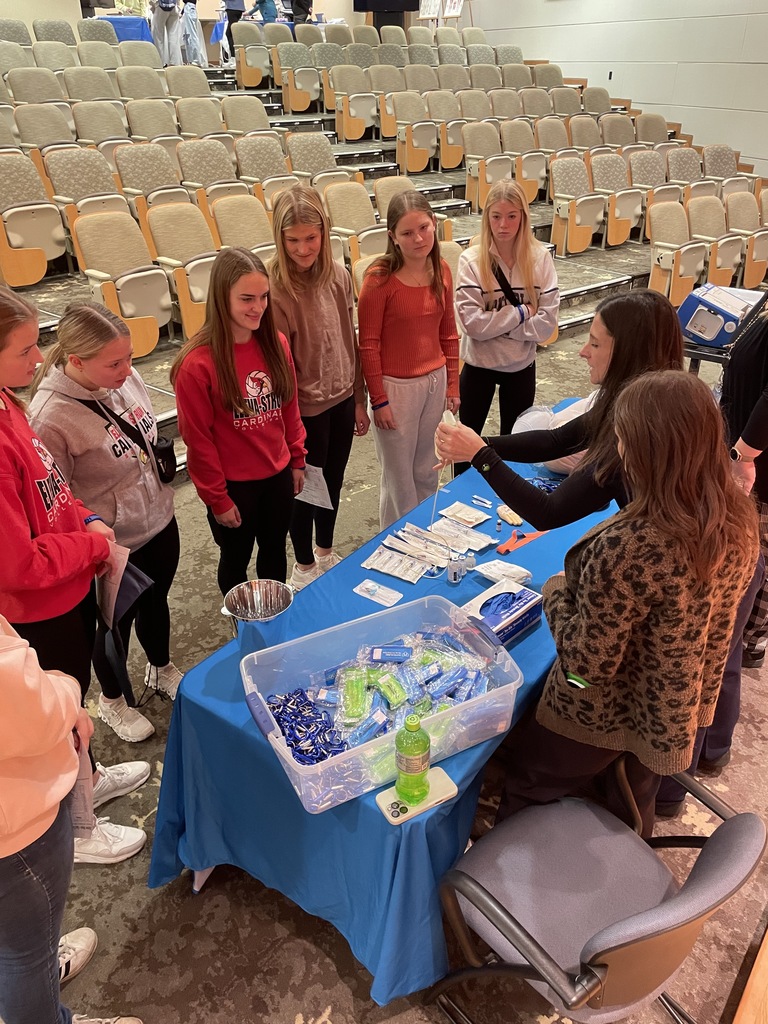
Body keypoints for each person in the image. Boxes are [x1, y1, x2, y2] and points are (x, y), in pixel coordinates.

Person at [495, 371, 759, 838]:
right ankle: (621, 874)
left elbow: (583, 666)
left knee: (528, 782)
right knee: (631, 801)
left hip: (595, 715)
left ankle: (509, 886)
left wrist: (556, 591)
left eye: (622, 439)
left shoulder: (632, 545)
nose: (618, 450)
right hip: (669, 713)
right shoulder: (737, 518)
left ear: (647, 450)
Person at [0, 287, 148, 866]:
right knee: (57, 710)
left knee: (75, 702)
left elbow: (51, 491)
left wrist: (82, 516)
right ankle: (79, 825)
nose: (41, 360)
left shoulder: (11, 404)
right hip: (37, 605)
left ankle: (86, 774)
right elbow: (18, 562)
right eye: (25, 349)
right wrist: (87, 545)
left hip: (68, 586)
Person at [28, 303, 183, 745]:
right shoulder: (49, 417)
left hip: (158, 517)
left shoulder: (125, 378)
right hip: (112, 542)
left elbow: (143, 438)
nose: (129, 370)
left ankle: (160, 665)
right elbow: (55, 497)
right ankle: (113, 700)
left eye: (130, 357)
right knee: (113, 625)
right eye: (115, 363)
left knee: (157, 602)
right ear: (76, 361)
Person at [435, 289, 683, 528]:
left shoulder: (637, 428)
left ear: (627, 354)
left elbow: (549, 512)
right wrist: (476, 444)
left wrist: (481, 456)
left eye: (595, 345)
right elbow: (558, 440)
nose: (583, 352)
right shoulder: (648, 399)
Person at [0, 618, 143, 1024]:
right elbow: (25, 706)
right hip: (15, 827)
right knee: (25, 958)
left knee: (16, 946)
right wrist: (65, 687)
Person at [171, 248, 306, 596]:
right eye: (246, 298)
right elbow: (198, 441)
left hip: (277, 474)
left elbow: (289, 407)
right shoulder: (197, 364)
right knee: (236, 557)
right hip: (234, 486)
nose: (258, 307)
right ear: (221, 297)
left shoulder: (275, 343)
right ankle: (242, 625)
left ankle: (273, 617)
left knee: (275, 550)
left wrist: (296, 458)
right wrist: (218, 498)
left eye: (263, 297)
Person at [269, 186, 369, 590]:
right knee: (306, 488)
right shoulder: (276, 289)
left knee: (335, 479)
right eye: (292, 241)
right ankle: (305, 563)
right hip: (304, 407)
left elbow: (351, 337)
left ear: (325, 233)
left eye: (311, 238)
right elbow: (280, 363)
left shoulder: (340, 276)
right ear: (280, 239)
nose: (303, 249)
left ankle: (326, 551)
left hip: (342, 397)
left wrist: (359, 397)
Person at [358, 191, 460, 529]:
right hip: (395, 388)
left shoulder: (441, 269)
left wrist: (453, 382)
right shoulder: (379, 279)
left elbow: (448, 331)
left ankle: (426, 532)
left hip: (434, 381)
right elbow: (368, 344)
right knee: (400, 479)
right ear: (393, 238)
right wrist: (379, 399)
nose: (418, 238)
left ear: (434, 225)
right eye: (407, 233)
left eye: (424, 228)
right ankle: (399, 540)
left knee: (427, 470)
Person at [455, 179, 559, 458]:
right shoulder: (470, 261)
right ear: (487, 217)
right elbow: (473, 326)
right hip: (478, 366)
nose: (503, 225)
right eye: (496, 216)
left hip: (520, 366)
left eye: (512, 216)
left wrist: (498, 326)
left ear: (523, 217)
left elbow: (547, 323)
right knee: (466, 448)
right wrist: (523, 313)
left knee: (514, 449)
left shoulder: (540, 260)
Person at [720, 308, 768, 669]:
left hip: (758, 468)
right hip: (744, 455)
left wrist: (743, 454)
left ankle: (745, 642)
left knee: (758, 559)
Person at [151, 0, 183, 66]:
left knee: (158, 36)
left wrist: (153, 5)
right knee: (173, 35)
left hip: (161, 6)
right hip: (174, 6)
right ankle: (174, 62)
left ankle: (159, 62)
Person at [181, 0, 208, 66]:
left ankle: (196, 60)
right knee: (189, 36)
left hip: (189, 8)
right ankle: (192, 59)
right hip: (189, 7)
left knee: (192, 36)